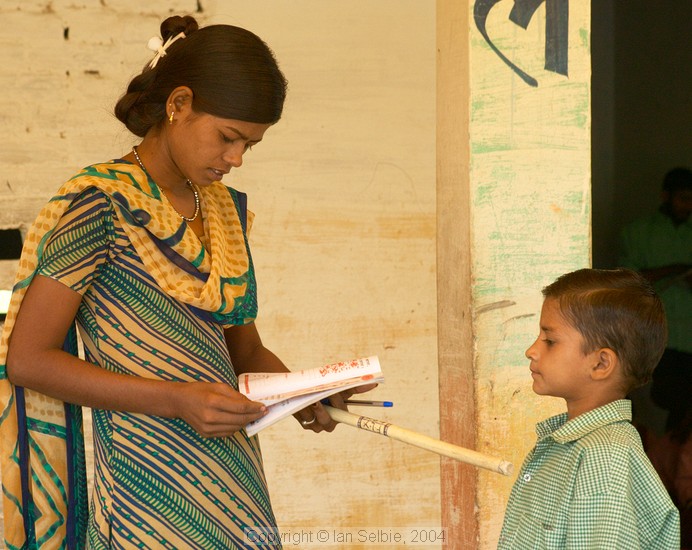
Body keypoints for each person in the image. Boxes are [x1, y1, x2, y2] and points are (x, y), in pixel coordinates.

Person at [0, 15, 374, 549]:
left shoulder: (225, 212)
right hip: (142, 487)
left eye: (251, 145)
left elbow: (243, 348)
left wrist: (307, 392)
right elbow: (29, 359)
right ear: (177, 105)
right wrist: (177, 399)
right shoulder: (98, 204)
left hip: (234, 480)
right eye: (228, 137)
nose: (236, 159)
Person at [497, 268, 680, 549]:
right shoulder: (577, 446)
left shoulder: (603, 457)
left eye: (550, 341)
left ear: (600, 364)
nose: (532, 350)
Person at [619, 167, 692, 545]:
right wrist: (676, 270)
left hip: (690, 340)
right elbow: (629, 282)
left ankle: (680, 504)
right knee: (656, 420)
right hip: (656, 343)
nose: (687, 204)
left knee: (683, 426)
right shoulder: (638, 232)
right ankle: (654, 504)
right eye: (681, 197)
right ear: (665, 196)